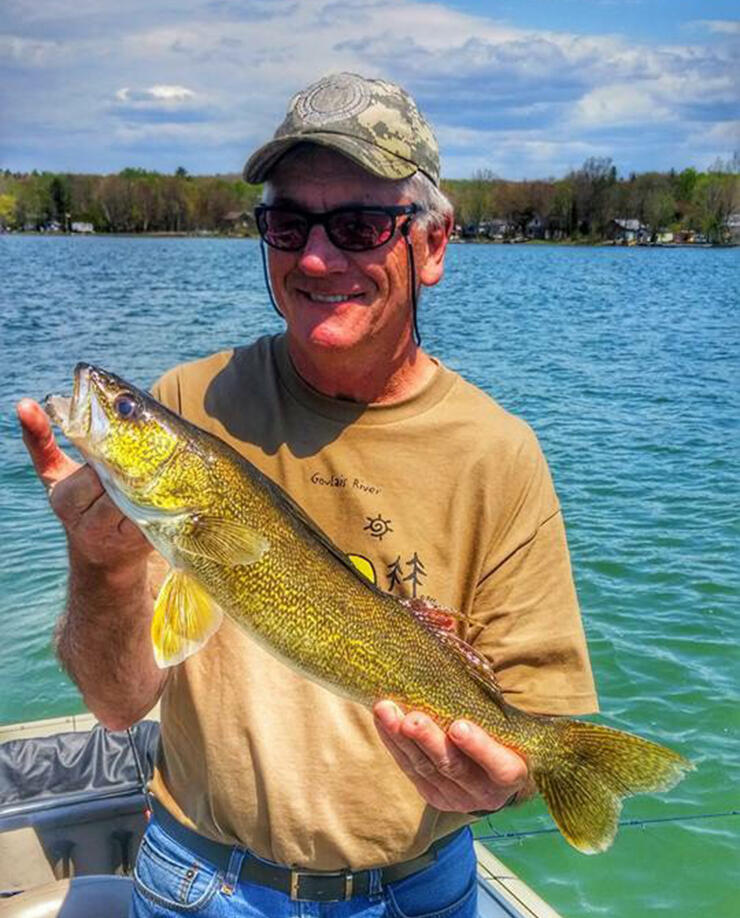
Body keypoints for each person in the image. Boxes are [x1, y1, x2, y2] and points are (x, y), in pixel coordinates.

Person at [18, 73, 598, 917]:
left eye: (361, 225)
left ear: (432, 246)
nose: (318, 257)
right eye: (288, 224)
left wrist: (499, 782)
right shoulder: (191, 401)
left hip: (415, 892)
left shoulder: (498, 455)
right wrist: (101, 566)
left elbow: (535, 723)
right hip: (197, 880)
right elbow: (116, 704)